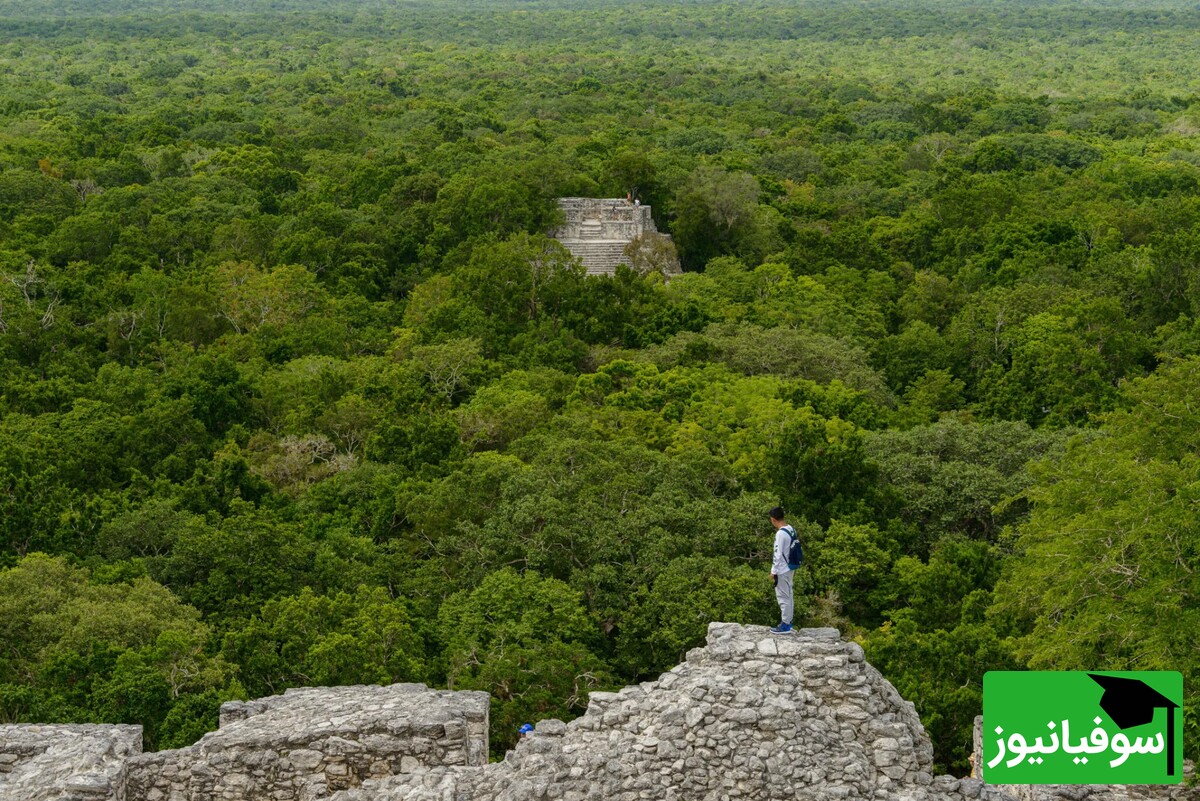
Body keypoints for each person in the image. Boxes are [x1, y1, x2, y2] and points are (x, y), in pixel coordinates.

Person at [768, 506, 796, 634]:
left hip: (782, 570)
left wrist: (773, 571)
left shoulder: (780, 533)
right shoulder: (790, 529)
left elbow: (778, 554)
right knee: (789, 595)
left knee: (783, 597)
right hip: (790, 568)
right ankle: (788, 622)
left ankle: (785, 625)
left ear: (773, 520)